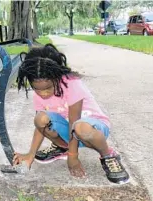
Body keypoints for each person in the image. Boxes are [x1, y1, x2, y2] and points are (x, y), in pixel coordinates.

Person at [13, 44, 129, 184]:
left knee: (80, 128)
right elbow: (40, 127)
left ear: (58, 76)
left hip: (92, 129)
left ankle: (108, 154)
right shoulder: (39, 95)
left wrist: (72, 157)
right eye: (37, 89)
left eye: (48, 88)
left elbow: (74, 122)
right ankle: (62, 147)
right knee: (40, 119)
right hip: (69, 131)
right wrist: (30, 155)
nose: (43, 94)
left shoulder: (72, 84)